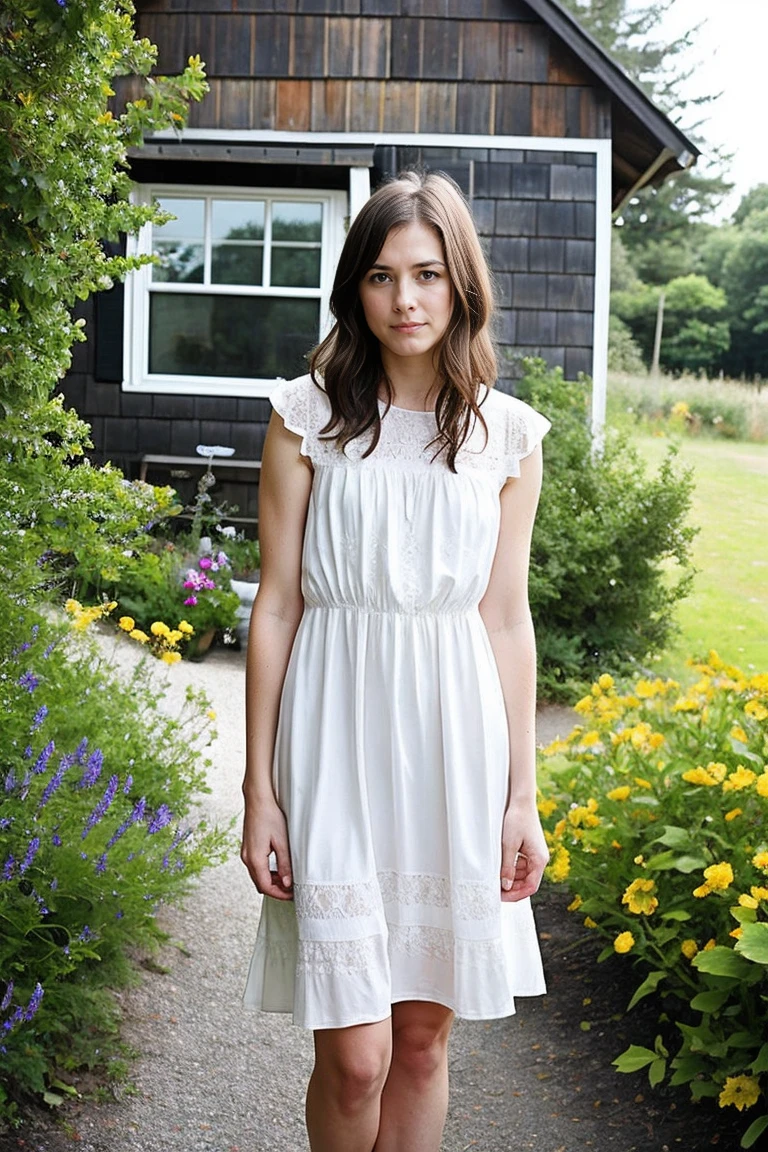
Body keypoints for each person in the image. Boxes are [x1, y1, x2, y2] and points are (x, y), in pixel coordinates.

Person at [240, 169, 550, 1152]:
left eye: (425, 274)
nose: (404, 300)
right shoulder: (304, 419)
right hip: (335, 734)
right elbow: (278, 607)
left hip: (456, 744)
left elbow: (506, 618)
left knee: (419, 1044)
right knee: (357, 1054)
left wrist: (521, 798)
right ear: (353, 290)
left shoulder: (508, 436)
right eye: (379, 276)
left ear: (461, 284)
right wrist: (259, 792)